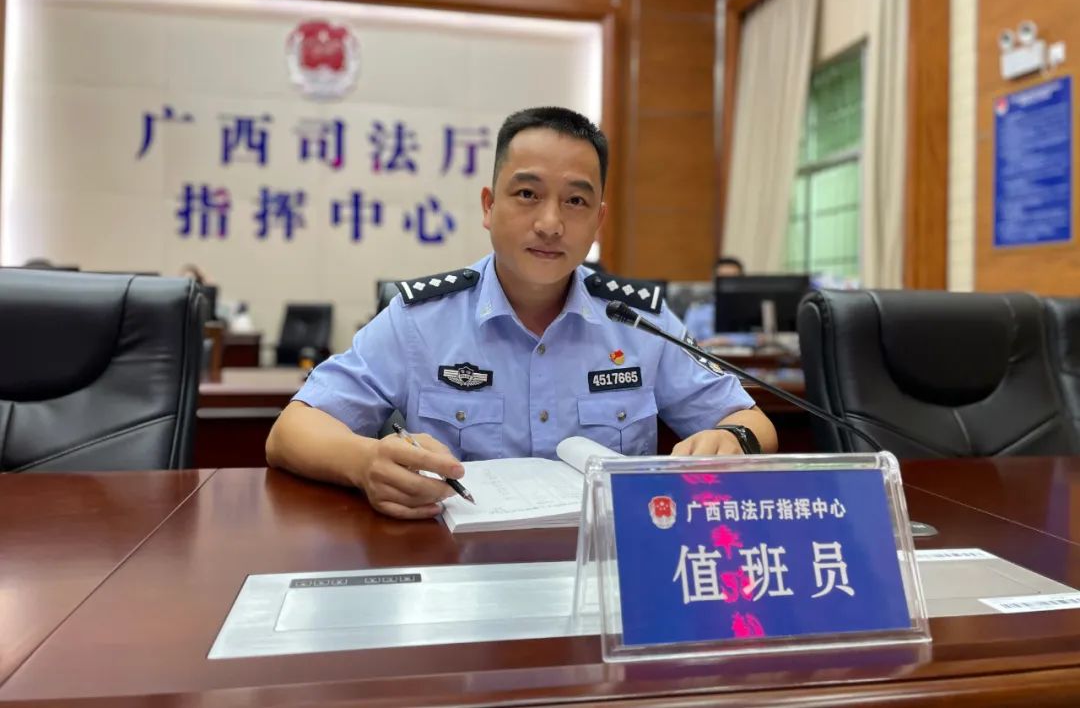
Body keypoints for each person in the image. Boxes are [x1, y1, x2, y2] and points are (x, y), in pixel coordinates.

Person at [266, 107, 777, 519]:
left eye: (575, 201)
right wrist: (364, 462)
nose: (550, 223)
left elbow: (751, 419)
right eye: (527, 194)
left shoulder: (640, 321)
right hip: (460, 571)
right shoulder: (421, 319)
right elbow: (292, 429)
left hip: (607, 569)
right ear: (489, 206)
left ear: (598, 220)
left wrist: (731, 439)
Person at [683, 255, 745, 341]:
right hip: (708, 349)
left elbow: (760, 339)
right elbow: (687, 343)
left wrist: (728, 341)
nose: (728, 283)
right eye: (722, 278)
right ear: (714, 280)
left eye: (733, 278)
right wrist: (713, 342)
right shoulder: (697, 311)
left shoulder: (754, 311)